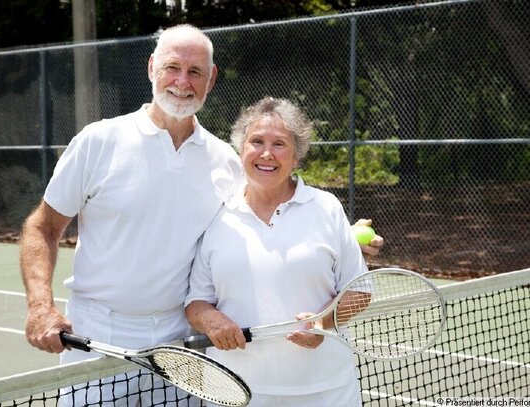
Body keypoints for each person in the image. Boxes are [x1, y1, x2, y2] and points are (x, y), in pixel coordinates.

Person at [20, 24, 383, 404]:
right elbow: (42, 227)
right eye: (172, 67)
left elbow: (267, 213)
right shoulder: (98, 141)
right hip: (98, 338)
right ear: (151, 68)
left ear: (211, 79)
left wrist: (344, 233)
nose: (182, 81)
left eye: (195, 72)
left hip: (182, 346)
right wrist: (40, 307)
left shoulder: (226, 161)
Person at [185, 97, 371, 407]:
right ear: (241, 149)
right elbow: (195, 303)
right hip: (234, 392)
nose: (266, 153)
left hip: (326, 392)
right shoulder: (217, 217)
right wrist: (211, 320)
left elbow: (361, 290)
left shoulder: (326, 209)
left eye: (280, 144)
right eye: (256, 141)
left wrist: (323, 322)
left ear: (297, 157)